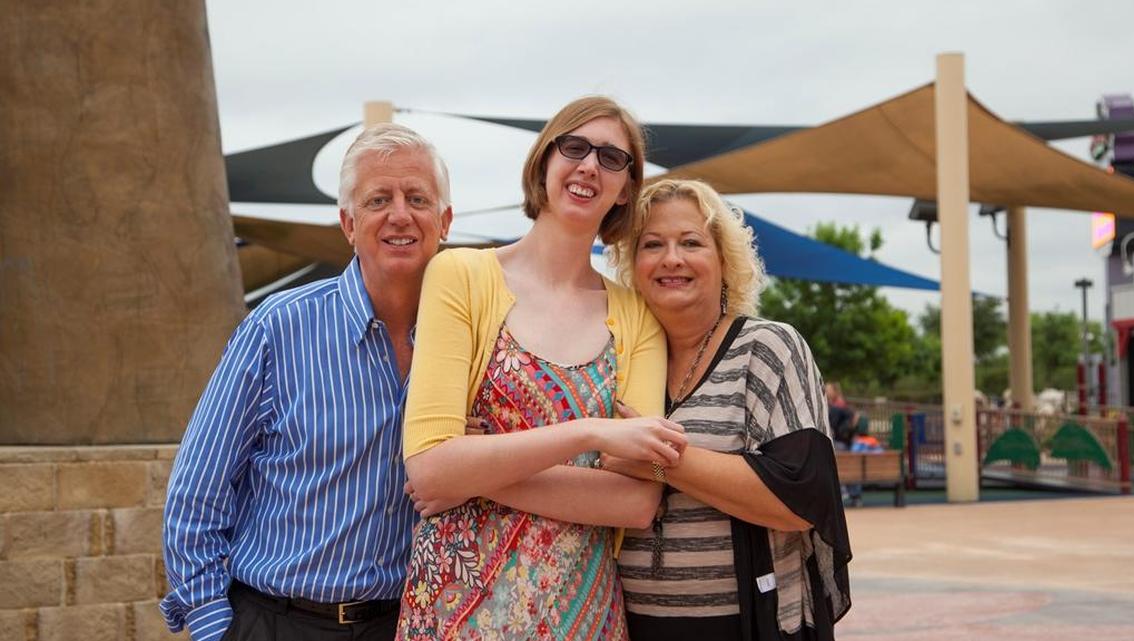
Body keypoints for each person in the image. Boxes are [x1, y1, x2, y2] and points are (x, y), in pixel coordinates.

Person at [395, 96, 686, 640]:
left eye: (612, 158)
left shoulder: (637, 316)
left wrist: (475, 474)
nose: (589, 166)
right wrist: (591, 431)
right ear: (544, 162)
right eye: (573, 147)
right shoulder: (460, 275)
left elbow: (635, 500)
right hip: (458, 614)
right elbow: (431, 470)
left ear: (626, 188)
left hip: (582, 612)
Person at [161, 123, 454, 641]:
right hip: (277, 620)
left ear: (445, 220)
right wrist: (215, 627)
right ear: (347, 222)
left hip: (403, 624)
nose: (400, 215)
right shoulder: (277, 327)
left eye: (417, 198)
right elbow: (196, 494)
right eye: (378, 199)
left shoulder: (465, 342)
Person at [605, 179, 851, 641]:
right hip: (631, 625)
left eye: (691, 243)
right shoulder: (618, 361)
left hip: (750, 625)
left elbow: (801, 498)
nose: (671, 258)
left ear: (724, 261)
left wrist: (657, 463)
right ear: (632, 265)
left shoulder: (768, 348)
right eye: (652, 244)